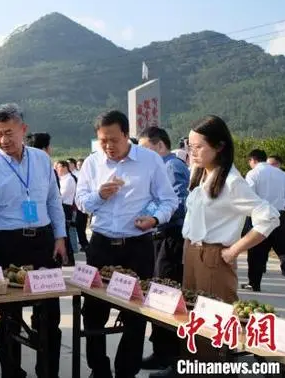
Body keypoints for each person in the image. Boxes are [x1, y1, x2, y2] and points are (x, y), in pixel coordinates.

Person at [76, 110, 178, 378]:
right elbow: (81, 201)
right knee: (93, 312)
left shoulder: (149, 161)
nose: (108, 146)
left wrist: (154, 218)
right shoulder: (92, 163)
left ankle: (126, 371)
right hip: (100, 245)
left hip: (137, 246)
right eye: (102, 140)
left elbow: (169, 199)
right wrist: (99, 196)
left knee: (136, 313)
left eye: (113, 139)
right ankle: (99, 369)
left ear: (126, 134)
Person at [0, 103, 67, 378]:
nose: (4, 140)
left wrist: (60, 236)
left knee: (49, 312)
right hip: (8, 242)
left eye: (9, 133)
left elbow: (53, 200)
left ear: (23, 130)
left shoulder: (41, 160)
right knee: (10, 315)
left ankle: (48, 370)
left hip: (43, 241)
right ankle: (12, 372)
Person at [183, 116, 279, 304]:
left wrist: (234, 250)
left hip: (214, 256)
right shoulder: (199, 172)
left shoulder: (232, 182)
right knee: (191, 318)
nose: (192, 152)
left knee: (214, 319)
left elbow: (269, 216)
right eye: (189, 145)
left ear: (219, 146)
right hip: (193, 253)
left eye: (198, 147)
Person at [138, 126, 190, 376]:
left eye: (146, 149)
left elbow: (177, 204)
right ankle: (161, 351)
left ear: (160, 146)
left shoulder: (171, 166)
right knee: (158, 291)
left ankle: (171, 357)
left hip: (170, 238)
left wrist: (154, 217)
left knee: (167, 292)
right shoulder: (159, 167)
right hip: (158, 236)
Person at [242, 149, 285, 295]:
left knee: (256, 252)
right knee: (284, 252)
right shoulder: (282, 174)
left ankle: (254, 283)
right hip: (280, 215)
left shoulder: (253, 174)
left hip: (260, 215)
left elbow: (249, 196)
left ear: (253, 160)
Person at [55, 160, 78, 263]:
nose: (57, 169)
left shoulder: (69, 179)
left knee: (65, 235)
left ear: (64, 167)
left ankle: (69, 259)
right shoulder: (62, 179)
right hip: (61, 206)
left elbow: (62, 195)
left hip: (65, 207)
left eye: (58, 167)